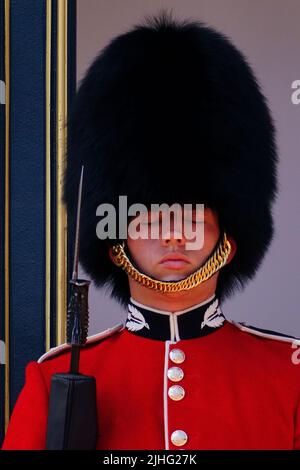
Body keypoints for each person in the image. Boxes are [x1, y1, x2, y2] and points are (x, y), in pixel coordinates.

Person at [2, 11, 300, 450]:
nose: (175, 236)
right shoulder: (55, 378)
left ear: (229, 241)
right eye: (151, 219)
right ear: (116, 240)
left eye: (193, 219)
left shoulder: (289, 373)